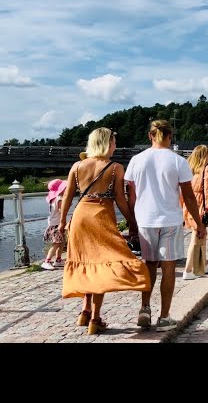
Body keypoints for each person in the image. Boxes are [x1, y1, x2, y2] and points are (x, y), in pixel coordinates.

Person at [59, 128, 151, 335]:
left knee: (86, 263)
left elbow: (67, 196)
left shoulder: (77, 166)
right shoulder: (115, 167)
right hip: (100, 216)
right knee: (101, 265)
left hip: (80, 217)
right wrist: (132, 222)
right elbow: (120, 198)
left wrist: (62, 220)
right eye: (114, 142)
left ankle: (84, 310)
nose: (115, 146)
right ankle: (95, 318)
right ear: (107, 144)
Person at [125, 120, 205, 332]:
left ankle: (144, 308)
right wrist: (198, 223)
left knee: (149, 264)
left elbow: (131, 196)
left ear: (150, 136)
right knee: (168, 267)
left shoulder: (136, 160)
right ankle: (164, 316)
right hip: (170, 219)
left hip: (145, 220)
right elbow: (189, 197)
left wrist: (133, 222)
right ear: (170, 136)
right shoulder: (178, 161)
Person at [181, 145, 208, 280]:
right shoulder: (207, 170)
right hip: (200, 204)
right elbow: (207, 191)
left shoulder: (189, 169)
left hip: (188, 204)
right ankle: (188, 270)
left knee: (200, 237)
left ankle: (201, 265)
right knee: (196, 237)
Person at [41, 179, 67, 270]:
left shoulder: (53, 199)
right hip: (57, 224)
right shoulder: (59, 199)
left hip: (53, 223)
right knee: (56, 243)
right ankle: (47, 261)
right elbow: (61, 210)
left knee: (61, 242)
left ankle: (58, 260)